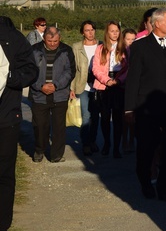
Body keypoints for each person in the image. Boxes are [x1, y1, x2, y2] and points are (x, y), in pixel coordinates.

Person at [124, 8, 166, 201]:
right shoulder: (140, 46)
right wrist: (129, 108)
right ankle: (146, 185)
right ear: (157, 23)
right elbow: (133, 79)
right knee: (146, 150)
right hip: (147, 109)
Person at [0, 16, 37, 231]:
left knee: (4, 174)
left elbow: (30, 70)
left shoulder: (11, 37)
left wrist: (9, 77)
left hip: (5, 118)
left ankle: (2, 228)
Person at [29, 26, 73, 162]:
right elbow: (29, 71)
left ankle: (56, 154)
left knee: (59, 127)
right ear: (44, 38)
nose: (53, 44)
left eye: (55, 41)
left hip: (59, 94)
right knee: (40, 125)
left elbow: (70, 71)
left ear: (60, 38)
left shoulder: (66, 50)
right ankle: (39, 149)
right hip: (39, 94)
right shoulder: (34, 50)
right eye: (49, 41)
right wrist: (40, 86)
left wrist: (56, 85)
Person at [92, 22, 128, 158]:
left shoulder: (125, 48)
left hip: (119, 83)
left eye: (117, 31)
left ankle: (116, 148)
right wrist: (106, 80)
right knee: (105, 117)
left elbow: (129, 68)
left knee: (118, 118)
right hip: (104, 84)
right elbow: (95, 68)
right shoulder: (100, 48)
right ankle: (107, 143)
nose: (115, 33)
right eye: (112, 31)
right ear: (107, 32)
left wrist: (119, 80)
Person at [70, 20, 102, 156]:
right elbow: (72, 69)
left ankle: (93, 140)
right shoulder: (76, 47)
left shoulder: (101, 45)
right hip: (82, 84)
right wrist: (71, 88)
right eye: (87, 30)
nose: (90, 32)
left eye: (92, 29)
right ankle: (86, 143)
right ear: (82, 32)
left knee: (96, 115)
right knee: (86, 115)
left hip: (98, 84)